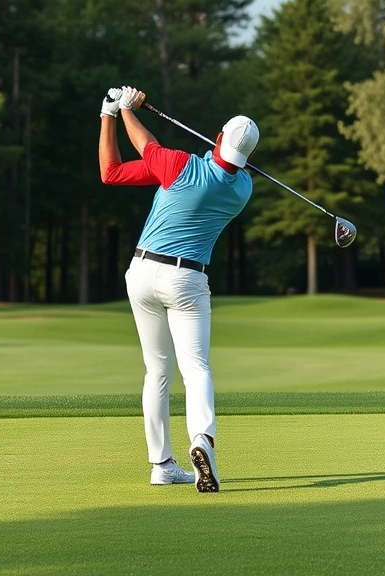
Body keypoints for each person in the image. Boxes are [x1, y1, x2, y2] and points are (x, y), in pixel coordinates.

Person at [98, 86, 259, 493]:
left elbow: (136, 151)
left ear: (219, 138)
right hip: (187, 282)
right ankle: (202, 439)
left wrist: (119, 111)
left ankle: (162, 464)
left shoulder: (180, 167)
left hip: (141, 273)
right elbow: (115, 172)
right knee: (197, 368)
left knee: (157, 372)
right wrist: (115, 115)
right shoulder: (241, 190)